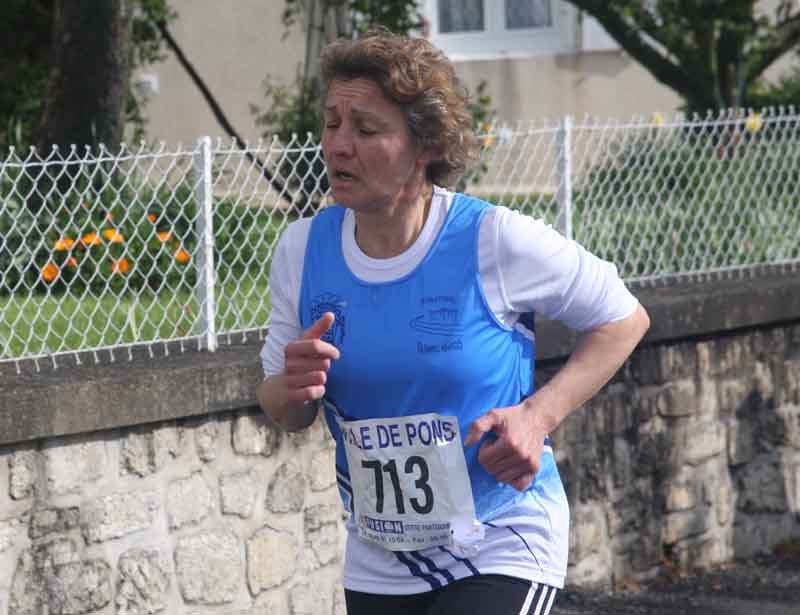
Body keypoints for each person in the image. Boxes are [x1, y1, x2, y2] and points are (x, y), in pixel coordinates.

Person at [257, 30, 650, 615]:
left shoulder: (493, 239)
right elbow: (283, 408)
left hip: (501, 535)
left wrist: (537, 416)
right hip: (384, 556)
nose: (338, 145)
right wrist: (291, 388)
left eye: (365, 129)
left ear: (426, 146)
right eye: (332, 122)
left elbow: (623, 318)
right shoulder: (302, 250)